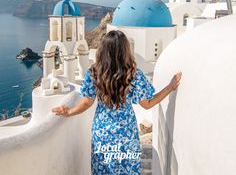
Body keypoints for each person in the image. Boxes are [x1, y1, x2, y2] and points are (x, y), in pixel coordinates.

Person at [52, 30, 182, 174]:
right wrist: (170, 88)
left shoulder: (94, 72)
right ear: (125, 50)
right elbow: (148, 104)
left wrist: (69, 112)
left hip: (102, 133)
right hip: (126, 133)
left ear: (103, 50)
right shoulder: (133, 74)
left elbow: (87, 102)